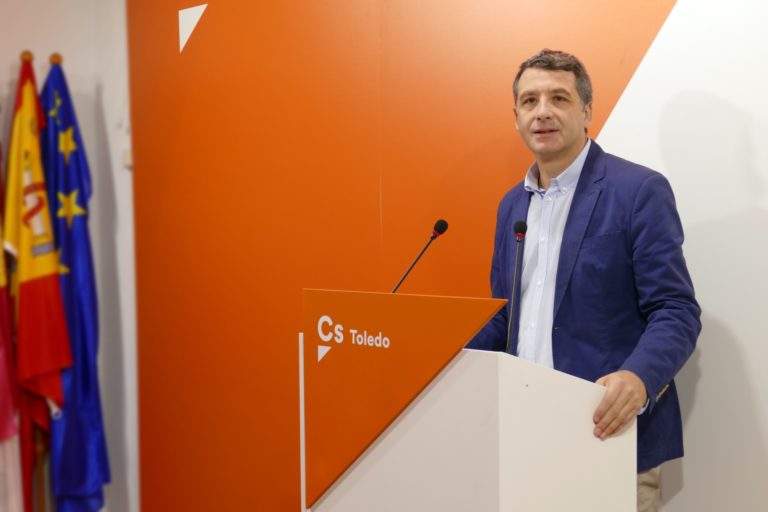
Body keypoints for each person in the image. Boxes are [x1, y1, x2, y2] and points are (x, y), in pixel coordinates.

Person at [467, 49, 701, 512]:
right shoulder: (511, 206)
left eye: (559, 98)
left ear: (587, 111)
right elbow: (505, 317)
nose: (543, 112)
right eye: (530, 101)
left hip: (608, 435)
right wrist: (439, 358)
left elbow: (676, 310)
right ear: (516, 118)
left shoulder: (638, 191)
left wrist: (639, 377)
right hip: (524, 437)